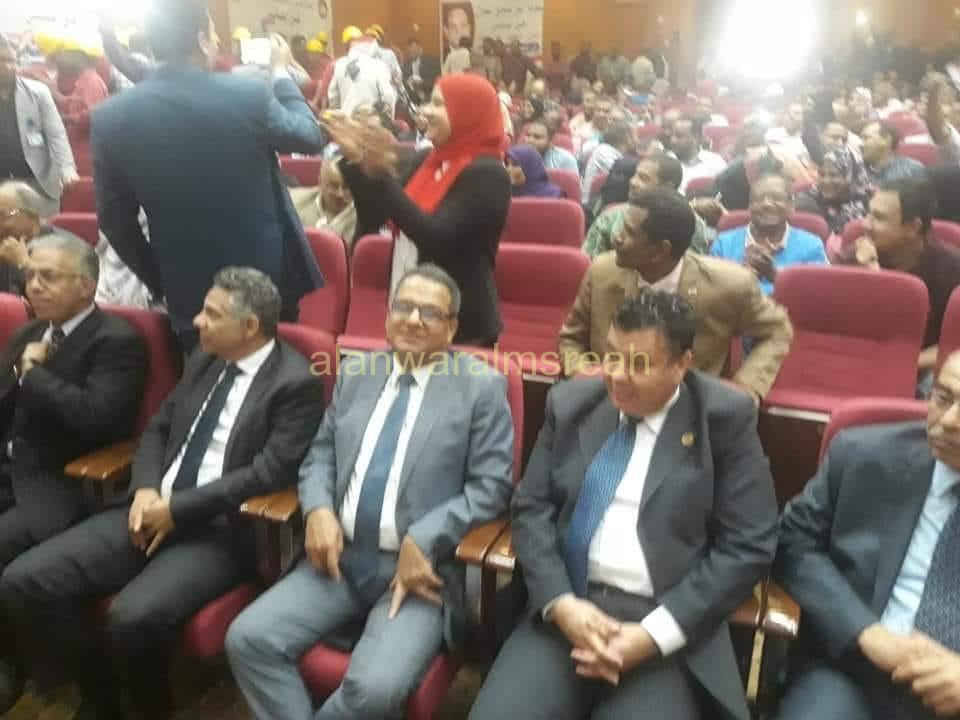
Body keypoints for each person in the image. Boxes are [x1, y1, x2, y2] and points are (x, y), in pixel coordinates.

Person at [0, 267, 325, 719]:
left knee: (132, 618)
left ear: (250, 326)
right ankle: (100, 695)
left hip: (218, 528)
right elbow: (157, 429)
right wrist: (145, 490)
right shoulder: (206, 358)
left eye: (212, 314)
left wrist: (177, 508)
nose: (198, 321)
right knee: (25, 581)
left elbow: (268, 473)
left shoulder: (296, 382)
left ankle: (152, 709)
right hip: (148, 506)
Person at [469, 289, 778, 720]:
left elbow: (749, 544)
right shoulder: (572, 403)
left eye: (639, 364)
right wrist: (560, 602)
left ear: (682, 364)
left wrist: (654, 634)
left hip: (667, 622)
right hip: (568, 607)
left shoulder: (723, 419)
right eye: (611, 356)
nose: (617, 375)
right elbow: (531, 508)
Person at [227, 264, 514, 720]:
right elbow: (321, 453)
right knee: (248, 639)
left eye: (430, 312)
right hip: (338, 557)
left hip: (420, 572)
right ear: (387, 314)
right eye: (404, 307)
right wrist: (318, 510)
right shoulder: (357, 371)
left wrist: (424, 536)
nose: (413, 320)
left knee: (375, 690)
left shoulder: (481, 388)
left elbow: (492, 486)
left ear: (451, 327)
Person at [91, 0, 325, 351]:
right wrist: (280, 74)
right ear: (202, 39)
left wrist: (160, 278)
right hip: (264, 282)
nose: (216, 42)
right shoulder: (247, 95)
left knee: (203, 378)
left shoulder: (111, 117)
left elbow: (115, 221)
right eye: (214, 34)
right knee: (271, 376)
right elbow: (309, 137)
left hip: (187, 291)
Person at [0, 231, 147, 711]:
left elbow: (94, 417)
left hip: (64, 482)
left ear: (86, 286)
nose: (34, 287)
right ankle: (15, 653)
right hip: (12, 466)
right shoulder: (29, 334)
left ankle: (74, 680)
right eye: (30, 277)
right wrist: (20, 374)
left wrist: (34, 374)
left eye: (49, 277)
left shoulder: (116, 342)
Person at [773, 350, 960, 720]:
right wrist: (865, 631)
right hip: (855, 672)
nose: (950, 420)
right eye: (944, 398)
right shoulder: (866, 455)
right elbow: (792, 541)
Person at [326, 73, 510, 347]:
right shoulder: (427, 159)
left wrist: (378, 169)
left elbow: (435, 237)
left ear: (467, 114)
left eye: (438, 104)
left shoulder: (488, 174)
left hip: (460, 322)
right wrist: (358, 161)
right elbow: (376, 216)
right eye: (429, 102)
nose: (427, 111)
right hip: (408, 304)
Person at [559, 188, 793, 401]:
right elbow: (571, 340)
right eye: (621, 227)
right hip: (610, 401)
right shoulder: (602, 271)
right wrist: (586, 377)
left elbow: (778, 330)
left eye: (629, 232)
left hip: (691, 409)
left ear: (660, 250)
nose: (616, 237)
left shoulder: (729, 285)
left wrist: (746, 388)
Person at [844, 179, 960, 376]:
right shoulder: (855, 256)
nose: (865, 224)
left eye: (878, 218)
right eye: (868, 213)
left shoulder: (952, 269)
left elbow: (955, 343)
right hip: (858, 359)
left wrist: (905, 364)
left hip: (922, 368)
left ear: (913, 227)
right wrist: (867, 276)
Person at [711, 173, 828, 296]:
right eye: (758, 199)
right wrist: (742, 275)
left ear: (791, 206)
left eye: (776, 198)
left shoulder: (811, 245)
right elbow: (710, 292)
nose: (766, 204)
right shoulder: (724, 243)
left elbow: (818, 293)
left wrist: (774, 275)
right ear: (749, 206)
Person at [0, 35, 78, 218]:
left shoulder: (38, 92)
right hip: (2, 183)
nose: (7, 66)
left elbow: (56, 134)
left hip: (37, 181)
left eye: (11, 60)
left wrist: (67, 169)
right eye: (1, 60)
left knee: (42, 231)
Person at [583, 154, 711, 258]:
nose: (632, 182)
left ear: (667, 187)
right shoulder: (609, 218)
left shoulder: (693, 224)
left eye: (643, 178)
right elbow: (589, 266)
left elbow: (692, 271)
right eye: (635, 175)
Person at [795, 146, 870, 253]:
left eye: (833, 175)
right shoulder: (811, 194)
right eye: (822, 174)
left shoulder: (865, 207)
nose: (825, 181)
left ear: (850, 176)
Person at [289, 157, 358, 247]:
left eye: (346, 187)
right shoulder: (292, 200)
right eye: (334, 186)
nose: (340, 194)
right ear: (320, 183)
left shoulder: (366, 215)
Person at [328, 32, 397, 117]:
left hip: (346, 121)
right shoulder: (379, 65)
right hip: (370, 121)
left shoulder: (340, 64)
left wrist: (338, 115)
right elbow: (388, 96)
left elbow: (333, 96)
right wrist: (388, 118)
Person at [670, 114, 727, 193]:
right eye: (672, 135)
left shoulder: (716, 163)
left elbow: (724, 193)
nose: (673, 140)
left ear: (696, 137)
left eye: (679, 136)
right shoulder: (664, 160)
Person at [581, 120, 634, 205]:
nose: (638, 138)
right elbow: (626, 181)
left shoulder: (613, 152)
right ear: (627, 138)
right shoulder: (604, 153)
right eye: (635, 134)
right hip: (591, 206)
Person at [861, 121, 926, 188]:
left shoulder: (911, 170)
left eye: (866, 138)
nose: (860, 144)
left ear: (887, 139)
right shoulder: (858, 170)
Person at [570, 90, 598, 156]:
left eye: (588, 101)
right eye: (583, 101)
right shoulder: (575, 120)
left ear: (596, 104)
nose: (584, 104)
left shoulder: (599, 122)